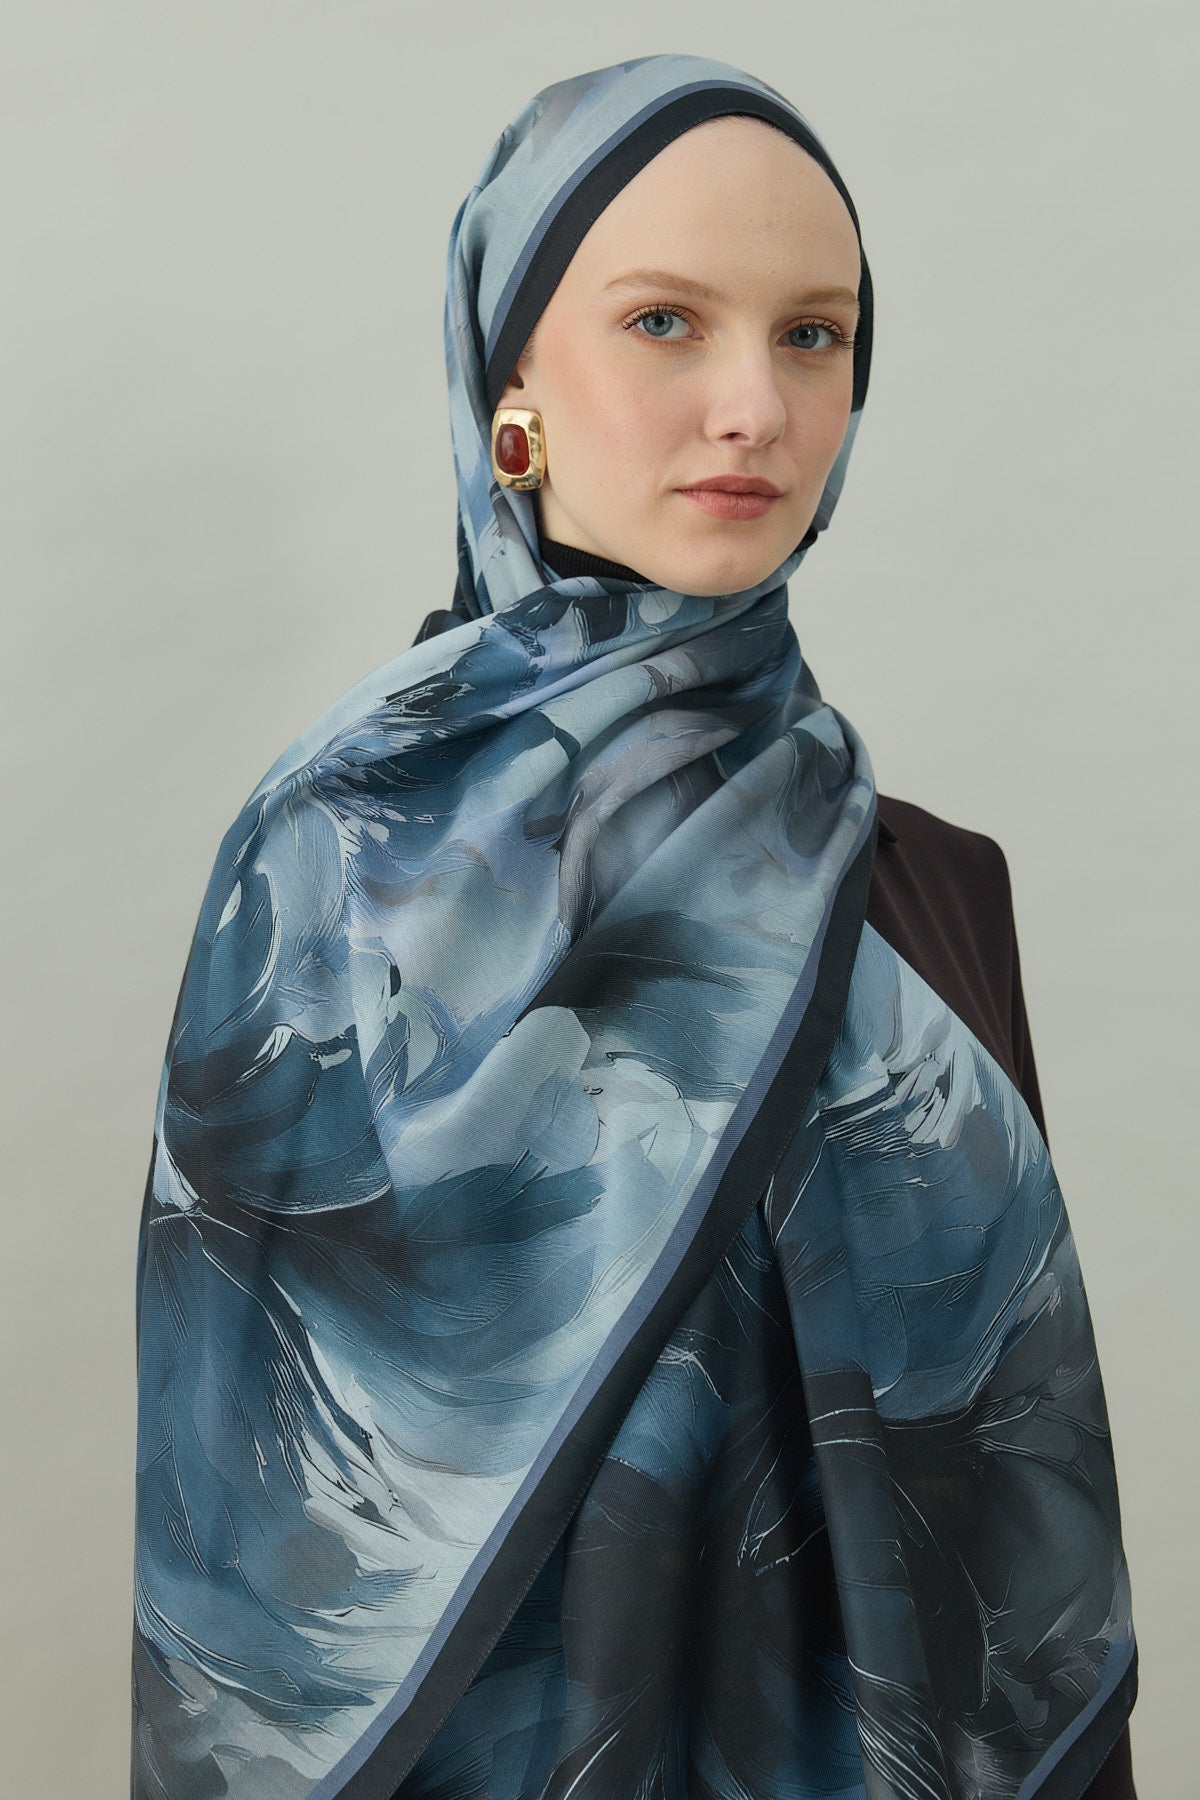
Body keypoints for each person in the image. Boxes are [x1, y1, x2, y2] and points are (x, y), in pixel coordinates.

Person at [130, 54, 1137, 1800]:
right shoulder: (327, 882)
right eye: (666, 322)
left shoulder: (933, 890)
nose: (754, 406)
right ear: (509, 373)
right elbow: (258, 1558)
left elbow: (1000, 1529)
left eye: (812, 336)